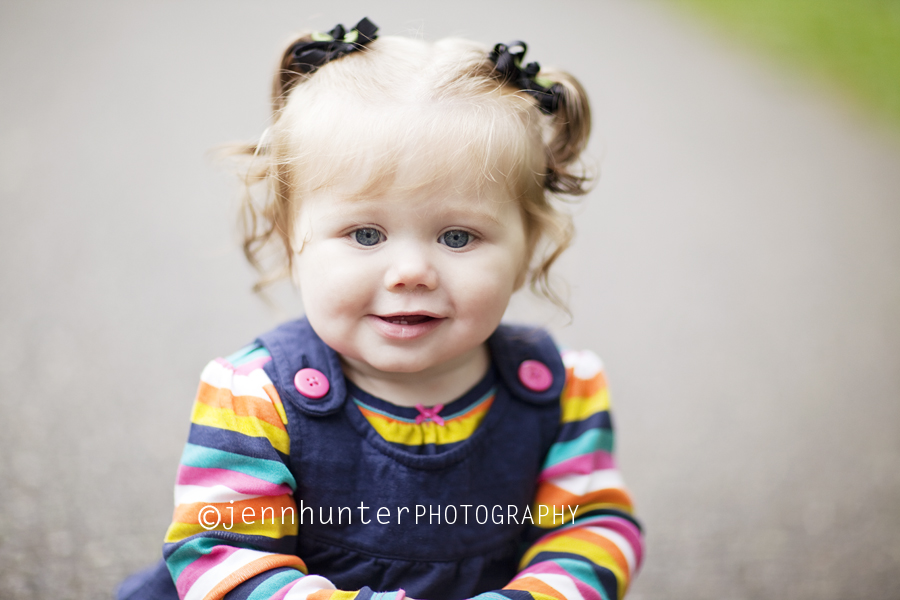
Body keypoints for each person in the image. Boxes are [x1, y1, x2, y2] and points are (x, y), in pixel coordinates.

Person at [118, 17, 643, 600]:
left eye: (458, 237)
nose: (411, 272)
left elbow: (591, 530)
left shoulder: (561, 392)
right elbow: (223, 555)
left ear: (528, 251)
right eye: (366, 235)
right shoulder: (254, 397)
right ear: (292, 243)